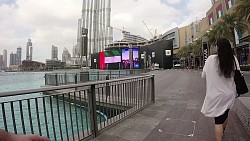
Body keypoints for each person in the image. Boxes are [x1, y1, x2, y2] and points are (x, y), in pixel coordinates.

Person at [201, 38, 239, 141]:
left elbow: (203, 75)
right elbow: (238, 75)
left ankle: (220, 133)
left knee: (218, 121)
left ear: (217, 48)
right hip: (229, 94)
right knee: (225, 114)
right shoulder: (233, 59)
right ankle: (223, 129)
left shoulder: (210, 59)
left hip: (215, 95)